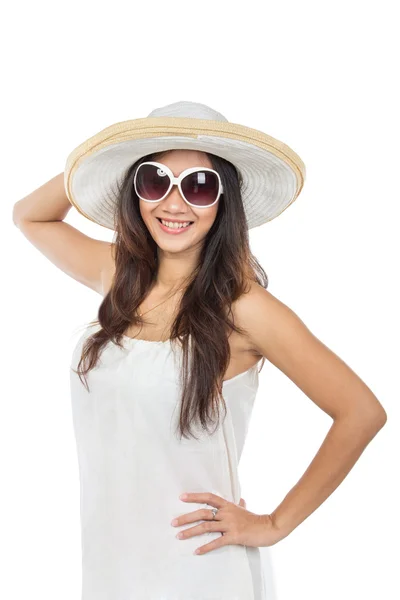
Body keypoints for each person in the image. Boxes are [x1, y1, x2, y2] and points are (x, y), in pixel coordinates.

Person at [12, 100, 387, 600]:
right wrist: (112, 152)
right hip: (111, 563)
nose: (174, 204)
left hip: (198, 567)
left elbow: (361, 412)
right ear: (135, 190)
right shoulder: (118, 278)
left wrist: (274, 524)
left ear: (224, 201)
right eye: (155, 182)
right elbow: (29, 217)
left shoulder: (245, 307)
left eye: (199, 186)